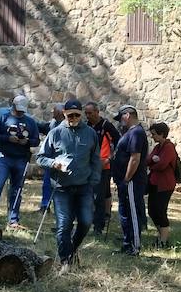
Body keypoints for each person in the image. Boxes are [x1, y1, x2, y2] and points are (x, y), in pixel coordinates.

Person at [37, 100, 101, 273]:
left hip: (84, 186)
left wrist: (94, 180)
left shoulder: (91, 134)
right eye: (70, 115)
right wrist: (53, 163)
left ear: (81, 115)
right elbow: (40, 158)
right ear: (64, 113)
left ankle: (72, 248)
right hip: (61, 188)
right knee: (63, 225)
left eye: (76, 115)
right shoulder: (55, 133)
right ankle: (65, 260)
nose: (73, 118)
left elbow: (96, 159)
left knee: (86, 222)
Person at [0, 94, 41, 226]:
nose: (20, 112)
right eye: (18, 109)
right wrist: (7, 138)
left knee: (17, 190)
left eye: (23, 110)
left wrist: (27, 142)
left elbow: (36, 140)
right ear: (13, 106)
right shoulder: (3, 118)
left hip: (21, 159)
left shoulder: (30, 122)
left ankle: (13, 219)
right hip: (4, 157)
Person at [112, 104, 149, 255]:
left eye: (121, 117)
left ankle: (135, 246)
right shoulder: (130, 133)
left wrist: (127, 179)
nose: (120, 121)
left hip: (131, 181)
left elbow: (135, 158)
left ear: (127, 115)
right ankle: (127, 243)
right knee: (124, 211)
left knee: (132, 211)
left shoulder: (137, 133)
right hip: (124, 181)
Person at [84, 102, 121, 237]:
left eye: (90, 113)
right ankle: (89, 222)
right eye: (86, 113)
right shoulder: (86, 126)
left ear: (97, 112)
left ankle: (98, 227)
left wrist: (110, 158)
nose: (88, 116)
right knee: (90, 195)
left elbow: (118, 143)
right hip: (88, 166)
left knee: (98, 197)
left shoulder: (106, 126)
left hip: (103, 167)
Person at [146, 121, 179, 249]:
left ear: (161, 134)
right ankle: (162, 236)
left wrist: (154, 162)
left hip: (165, 185)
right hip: (154, 184)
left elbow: (162, 165)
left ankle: (163, 241)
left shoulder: (169, 147)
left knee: (160, 211)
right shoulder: (158, 147)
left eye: (154, 134)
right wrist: (153, 160)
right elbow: (148, 159)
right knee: (152, 211)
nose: (152, 136)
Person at [37, 101, 63, 214]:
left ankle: (61, 209)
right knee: (47, 184)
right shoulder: (53, 123)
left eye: (55, 110)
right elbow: (43, 127)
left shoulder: (66, 124)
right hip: (50, 160)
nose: (52, 111)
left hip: (62, 160)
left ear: (61, 112)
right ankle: (45, 205)